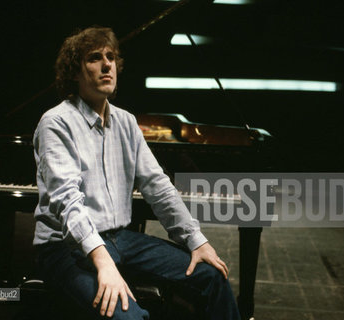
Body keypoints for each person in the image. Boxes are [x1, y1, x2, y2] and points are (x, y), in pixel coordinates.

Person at [33, 26, 240, 320]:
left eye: (111, 57)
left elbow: (158, 186)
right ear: (74, 73)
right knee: (129, 317)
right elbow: (67, 202)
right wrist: (104, 263)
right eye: (94, 58)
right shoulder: (56, 122)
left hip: (121, 239)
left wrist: (197, 240)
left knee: (212, 277)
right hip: (65, 248)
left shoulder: (127, 122)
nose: (107, 64)